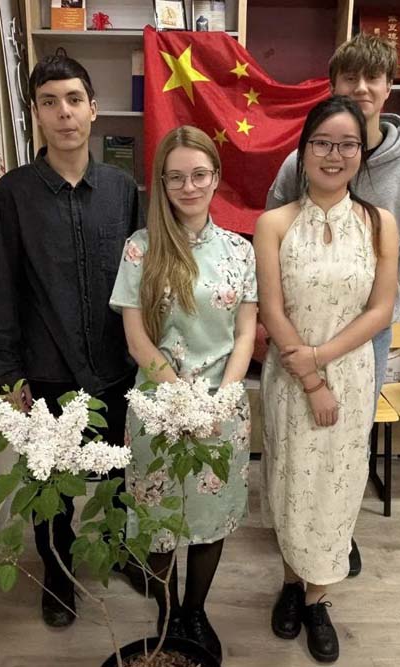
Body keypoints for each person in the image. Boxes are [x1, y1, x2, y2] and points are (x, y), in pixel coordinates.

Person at [0, 54, 142, 628]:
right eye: (50, 102)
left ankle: (120, 550)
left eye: (74, 100)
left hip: (117, 367)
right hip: (46, 371)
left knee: (119, 472)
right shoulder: (13, 195)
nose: (64, 113)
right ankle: (58, 572)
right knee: (51, 485)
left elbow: (141, 279)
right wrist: (8, 373)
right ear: (36, 114)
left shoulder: (122, 189)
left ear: (93, 108)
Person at [266, 33, 400, 576]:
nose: (361, 88)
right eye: (349, 77)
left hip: (366, 328)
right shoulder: (297, 165)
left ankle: (336, 533)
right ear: (332, 84)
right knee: (296, 441)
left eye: (372, 78)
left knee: (347, 440)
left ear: (389, 87)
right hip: (298, 327)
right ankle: (296, 542)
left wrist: (358, 304)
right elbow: (276, 253)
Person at [256, 96, 399, 663]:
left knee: (337, 486)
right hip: (291, 378)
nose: (334, 154)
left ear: (361, 154)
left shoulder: (379, 223)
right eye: (322, 143)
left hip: (352, 375)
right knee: (292, 480)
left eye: (347, 144)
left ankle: (318, 600)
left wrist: (321, 359)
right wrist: (310, 378)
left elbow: (380, 310)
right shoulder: (275, 223)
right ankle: (291, 584)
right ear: (303, 149)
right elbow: (271, 309)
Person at [110, 126, 257, 661]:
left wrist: (221, 399)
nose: (188, 187)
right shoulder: (141, 248)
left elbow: (246, 333)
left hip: (223, 407)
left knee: (211, 516)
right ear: (162, 183)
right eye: (176, 177)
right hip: (159, 406)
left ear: (215, 178)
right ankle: (168, 612)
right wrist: (180, 399)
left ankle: (195, 611)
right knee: (158, 518)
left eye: (199, 175)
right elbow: (137, 338)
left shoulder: (240, 251)